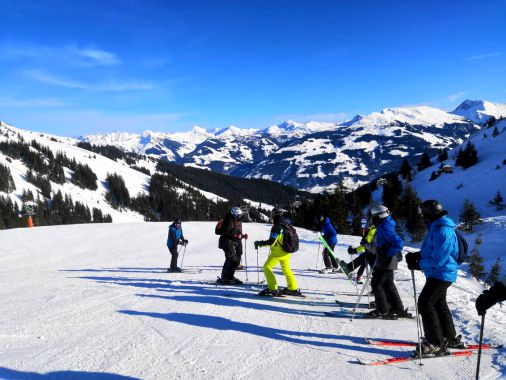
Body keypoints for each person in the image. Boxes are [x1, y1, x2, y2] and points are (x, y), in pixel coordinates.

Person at [406, 200, 463, 358]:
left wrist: (419, 264)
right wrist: (418, 256)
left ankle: (436, 344)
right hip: (438, 272)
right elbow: (432, 251)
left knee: (425, 303)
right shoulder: (436, 228)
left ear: (428, 214)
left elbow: (439, 258)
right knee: (438, 303)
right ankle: (447, 337)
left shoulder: (443, 231)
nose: (422, 218)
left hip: (442, 273)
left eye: (423, 214)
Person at [365, 204, 409, 319]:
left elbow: (398, 243)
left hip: (387, 259)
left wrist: (386, 252)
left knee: (376, 283)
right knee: (388, 284)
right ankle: (398, 309)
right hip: (386, 258)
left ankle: (383, 310)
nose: (372, 219)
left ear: (379, 216)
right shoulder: (384, 225)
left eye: (373, 216)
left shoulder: (385, 227)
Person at [254, 208, 301, 297]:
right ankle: (293, 288)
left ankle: (273, 289)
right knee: (286, 270)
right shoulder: (287, 224)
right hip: (286, 252)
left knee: (267, 267)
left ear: (274, 215)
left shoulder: (277, 226)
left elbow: (271, 241)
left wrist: (260, 243)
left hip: (278, 253)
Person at [218, 207, 248, 284]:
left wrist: (241, 235)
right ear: (235, 214)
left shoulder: (233, 220)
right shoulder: (229, 221)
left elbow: (235, 230)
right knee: (233, 260)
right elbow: (225, 233)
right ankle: (228, 277)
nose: (240, 217)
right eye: (239, 215)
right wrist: (234, 238)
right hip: (226, 243)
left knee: (229, 259)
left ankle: (226, 276)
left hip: (228, 242)